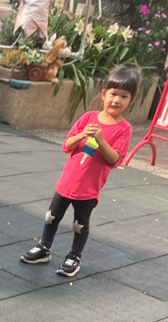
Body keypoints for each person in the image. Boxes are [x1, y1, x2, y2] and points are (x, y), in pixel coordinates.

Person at [20, 66, 138, 278]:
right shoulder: (88, 117)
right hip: (67, 182)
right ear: (104, 94)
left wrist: (101, 139)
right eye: (113, 94)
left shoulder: (124, 129)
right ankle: (44, 247)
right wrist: (83, 134)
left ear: (131, 100)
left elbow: (114, 160)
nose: (117, 100)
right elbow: (67, 145)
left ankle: (74, 256)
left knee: (80, 224)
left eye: (124, 96)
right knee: (51, 216)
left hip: (89, 189)